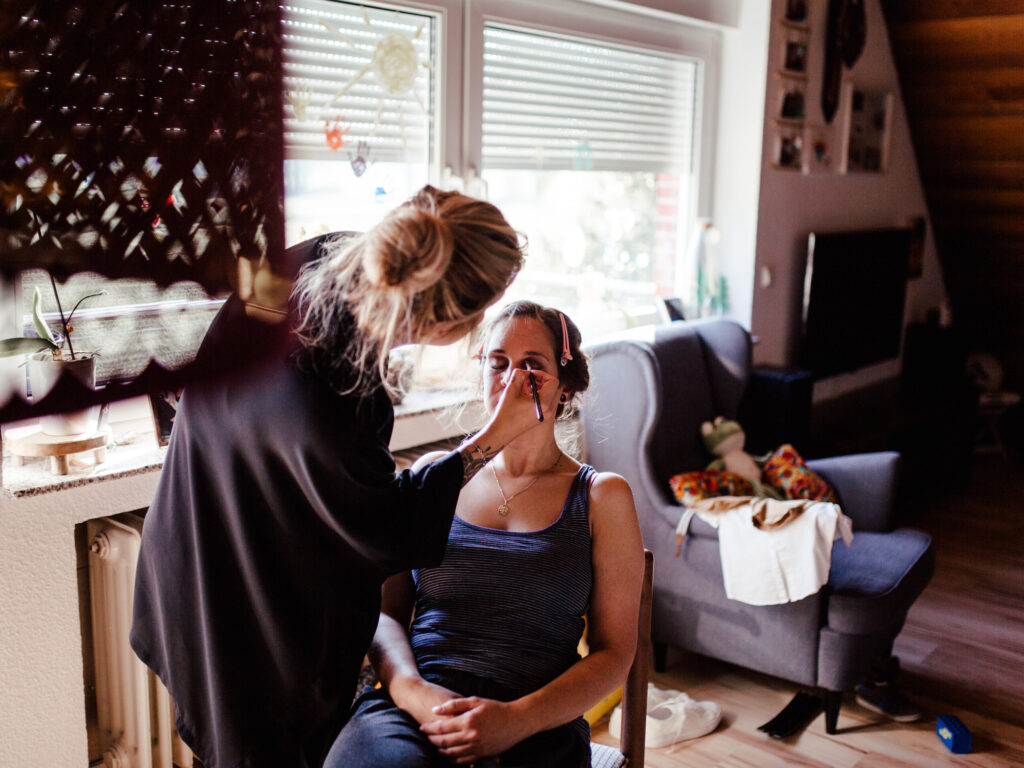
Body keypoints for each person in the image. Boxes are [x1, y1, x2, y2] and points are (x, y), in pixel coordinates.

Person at [130, 187, 548, 768]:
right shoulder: (336, 395)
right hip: (244, 599)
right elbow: (388, 530)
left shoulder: (311, 257)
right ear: (450, 322)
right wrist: (494, 436)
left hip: (185, 542)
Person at [325, 301, 645, 768]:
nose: (512, 381)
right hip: (417, 707)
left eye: (532, 366)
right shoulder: (433, 478)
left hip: (536, 724)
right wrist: (413, 693)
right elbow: (385, 615)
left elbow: (615, 653)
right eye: (498, 364)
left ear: (566, 387)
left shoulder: (601, 497)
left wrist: (515, 719)